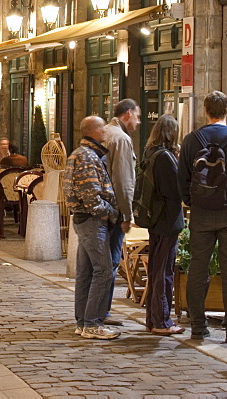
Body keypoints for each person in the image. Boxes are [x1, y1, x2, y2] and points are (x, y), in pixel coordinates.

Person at [178, 90, 227, 343]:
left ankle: (198, 327)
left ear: (205, 110)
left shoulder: (191, 140)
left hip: (201, 212)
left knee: (198, 269)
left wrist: (192, 202)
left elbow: (182, 179)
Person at [62, 115, 120, 340]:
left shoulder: (83, 153)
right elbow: (90, 195)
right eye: (102, 127)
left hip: (87, 220)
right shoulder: (86, 156)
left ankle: (83, 322)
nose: (105, 131)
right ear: (94, 131)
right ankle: (93, 324)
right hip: (92, 221)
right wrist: (110, 213)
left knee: (86, 273)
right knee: (103, 270)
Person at [141, 114, 185, 335]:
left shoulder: (150, 153)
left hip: (155, 219)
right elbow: (175, 192)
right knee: (163, 271)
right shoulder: (165, 158)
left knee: (157, 269)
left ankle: (152, 319)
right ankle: (162, 321)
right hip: (167, 220)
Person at [104, 98, 142, 326]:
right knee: (110, 262)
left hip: (99, 208)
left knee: (97, 265)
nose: (138, 121)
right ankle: (102, 312)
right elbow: (124, 181)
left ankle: (91, 313)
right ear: (127, 114)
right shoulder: (121, 139)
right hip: (114, 210)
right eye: (137, 116)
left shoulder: (104, 133)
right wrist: (128, 215)